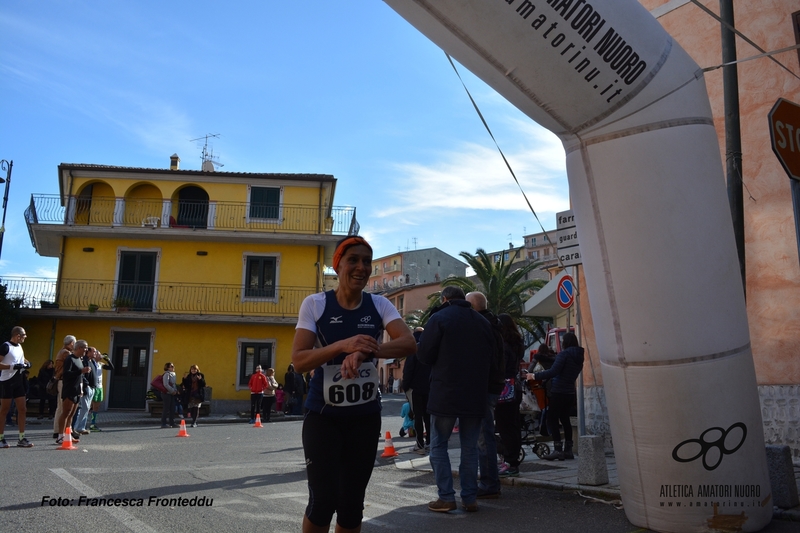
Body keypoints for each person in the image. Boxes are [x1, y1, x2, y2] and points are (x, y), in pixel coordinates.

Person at [291, 235, 416, 533]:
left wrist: (365, 351)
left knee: (351, 505)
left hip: (364, 417)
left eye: (366, 262)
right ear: (338, 266)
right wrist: (343, 345)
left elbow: (409, 343)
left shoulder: (379, 304)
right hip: (323, 417)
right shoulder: (316, 304)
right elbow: (299, 360)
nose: (361, 267)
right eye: (353, 260)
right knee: (322, 503)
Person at [417, 286, 496, 513]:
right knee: (470, 448)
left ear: (445, 299)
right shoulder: (482, 322)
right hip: (475, 394)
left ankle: (446, 497)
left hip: (445, 393)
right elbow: (491, 358)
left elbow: (424, 355)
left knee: (439, 445)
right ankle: (470, 498)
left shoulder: (439, 318)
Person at [465, 291, 505, 498]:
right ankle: (490, 481)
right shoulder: (494, 323)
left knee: (483, 436)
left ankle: (489, 483)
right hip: (493, 385)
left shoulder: (481, 326)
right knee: (485, 434)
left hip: (484, 386)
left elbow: (481, 360)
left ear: (472, 307)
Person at [526, 332, 584, 460]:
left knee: (552, 419)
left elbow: (553, 371)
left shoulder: (564, 354)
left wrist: (534, 376)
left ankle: (558, 450)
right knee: (565, 419)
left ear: (566, 343)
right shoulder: (579, 356)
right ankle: (568, 450)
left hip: (558, 391)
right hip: (570, 392)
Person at [494, 313, 525, 477]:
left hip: (504, 389)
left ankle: (510, 462)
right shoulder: (517, 343)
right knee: (513, 426)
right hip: (515, 386)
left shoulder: (503, 345)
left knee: (505, 427)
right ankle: (512, 460)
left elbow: (501, 367)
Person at [0, 327, 33, 448]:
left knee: (22, 409)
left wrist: (27, 363)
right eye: (24, 335)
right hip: (6, 381)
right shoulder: (5, 346)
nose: (25, 337)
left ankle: (21, 437)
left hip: (18, 381)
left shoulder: (19, 346)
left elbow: (21, 358)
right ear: (17, 335)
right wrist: (12, 367)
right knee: (4, 410)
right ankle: (1, 437)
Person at [401, 327, 431, 455]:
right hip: (429, 389)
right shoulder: (430, 350)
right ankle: (429, 442)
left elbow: (408, 371)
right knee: (428, 416)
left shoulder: (413, 350)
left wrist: (405, 386)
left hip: (415, 389)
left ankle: (420, 444)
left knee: (417, 416)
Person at [57, 340, 91, 444]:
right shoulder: (70, 358)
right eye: (85, 347)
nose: (86, 350)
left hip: (77, 390)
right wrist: (81, 371)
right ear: (79, 348)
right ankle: (60, 436)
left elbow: (79, 376)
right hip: (69, 389)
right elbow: (66, 374)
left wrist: (82, 388)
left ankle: (68, 435)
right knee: (66, 413)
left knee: (71, 414)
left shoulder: (79, 359)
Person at [52, 335, 76, 440]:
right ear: (71, 343)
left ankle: (57, 430)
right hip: (63, 381)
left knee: (60, 407)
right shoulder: (66, 353)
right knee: (64, 408)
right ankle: (61, 432)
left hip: (60, 380)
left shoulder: (61, 351)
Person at [74, 347, 98, 435]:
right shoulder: (84, 361)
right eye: (94, 351)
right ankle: (76, 428)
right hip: (86, 388)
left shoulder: (92, 361)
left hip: (92, 387)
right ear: (88, 352)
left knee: (87, 409)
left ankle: (81, 427)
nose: (95, 353)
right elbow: (82, 374)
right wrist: (86, 384)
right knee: (83, 408)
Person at [87, 351, 113, 431]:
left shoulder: (100, 364)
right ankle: (81, 424)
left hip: (99, 387)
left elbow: (111, 368)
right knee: (88, 406)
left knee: (96, 407)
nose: (100, 355)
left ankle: (93, 424)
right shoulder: (92, 363)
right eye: (98, 354)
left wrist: (108, 360)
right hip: (93, 386)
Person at [160, 362, 179, 428]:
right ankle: (163, 423)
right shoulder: (166, 374)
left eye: (173, 366)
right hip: (166, 394)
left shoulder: (173, 374)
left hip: (172, 394)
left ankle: (172, 422)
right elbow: (166, 384)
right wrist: (172, 391)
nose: (173, 367)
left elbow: (173, 384)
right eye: (171, 366)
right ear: (168, 368)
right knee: (166, 408)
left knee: (172, 408)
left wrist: (176, 391)